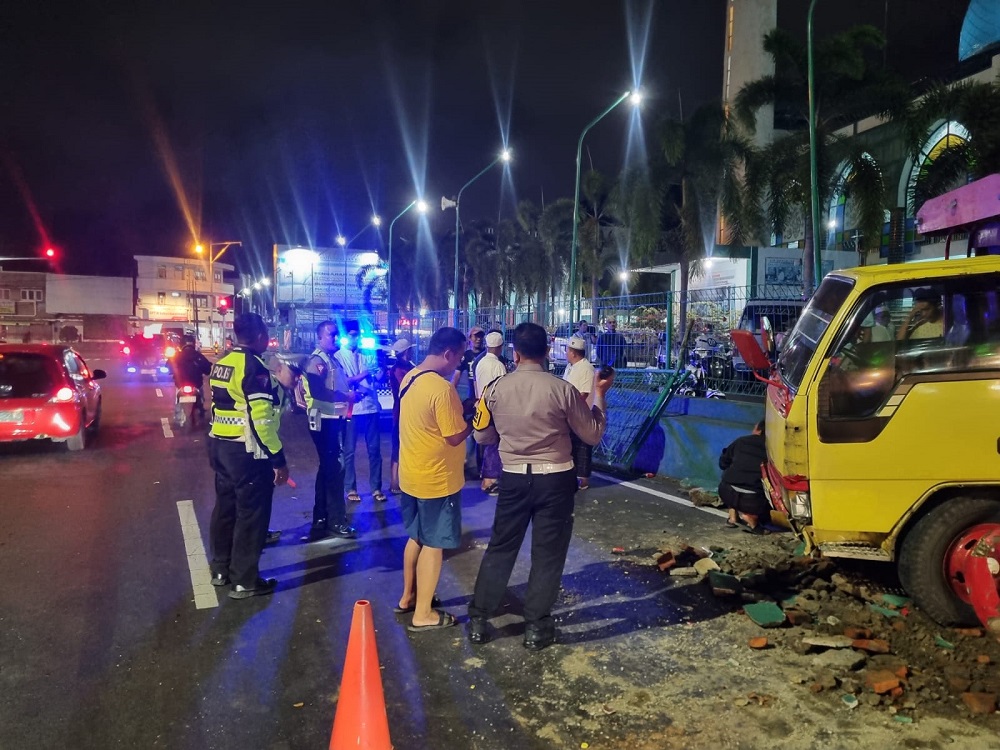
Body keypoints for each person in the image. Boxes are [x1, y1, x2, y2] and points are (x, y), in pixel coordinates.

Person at [468, 322, 612, 650]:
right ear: (548, 352)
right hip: (556, 478)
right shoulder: (562, 390)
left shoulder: (495, 389)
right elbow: (591, 433)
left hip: (514, 477)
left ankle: (479, 619)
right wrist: (601, 396)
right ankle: (536, 626)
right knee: (548, 554)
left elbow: (482, 435)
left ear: (514, 353)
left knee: (501, 547)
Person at [207, 313, 290, 599]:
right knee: (251, 515)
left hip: (219, 444)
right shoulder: (253, 366)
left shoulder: (223, 363)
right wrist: (278, 458)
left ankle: (220, 569)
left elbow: (219, 406)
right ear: (258, 337)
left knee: (225, 508)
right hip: (246, 451)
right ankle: (244, 580)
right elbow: (262, 419)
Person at [397, 327, 472, 631]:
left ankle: (408, 598)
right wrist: (474, 420)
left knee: (416, 536)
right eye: (460, 356)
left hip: (411, 475)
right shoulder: (442, 390)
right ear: (448, 354)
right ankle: (423, 614)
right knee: (435, 543)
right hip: (436, 480)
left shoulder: (411, 377)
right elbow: (455, 437)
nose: (459, 363)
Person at [302, 320, 357, 542]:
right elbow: (318, 392)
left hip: (333, 419)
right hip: (325, 421)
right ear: (320, 336)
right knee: (334, 470)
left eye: (336, 335)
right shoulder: (318, 360)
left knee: (328, 470)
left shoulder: (331, 360)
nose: (335, 338)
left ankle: (322, 518)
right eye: (331, 335)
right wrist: (347, 397)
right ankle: (335, 521)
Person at [336, 323, 386, 504]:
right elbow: (342, 382)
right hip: (352, 410)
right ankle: (350, 488)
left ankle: (376, 487)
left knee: (374, 450)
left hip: (371, 407)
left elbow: (376, 379)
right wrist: (363, 375)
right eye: (351, 335)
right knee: (349, 451)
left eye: (356, 335)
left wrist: (381, 370)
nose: (354, 338)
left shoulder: (367, 354)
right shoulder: (338, 356)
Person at [718, 420, 770, 535]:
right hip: (754, 502)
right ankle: (752, 520)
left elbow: (723, 463)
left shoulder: (741, 441)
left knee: (732, 475)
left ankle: (732, 518)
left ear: (758, 430)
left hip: (726, 493)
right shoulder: (774, 449)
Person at [473, 331, 508, 494]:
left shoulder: (480, 362)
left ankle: (485, 475)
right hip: (495, 408)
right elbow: (503, 389)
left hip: (482, 406)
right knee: (495, 444)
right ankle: (489, 480)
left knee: (487, 444)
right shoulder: (498, 365)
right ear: (499, 347)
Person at [563, 335, 597, 490]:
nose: (566, 353)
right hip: (570, 412)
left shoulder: (586, 368)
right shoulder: (571, 367)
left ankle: (583, 479)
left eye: (567, 350)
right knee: (571, 446)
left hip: (581, 414)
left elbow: (584, 393)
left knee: (582, 446)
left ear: (573, 352)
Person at [453, 327, 486, 476]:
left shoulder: (487, 355)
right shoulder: (466, 356)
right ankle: (464, 462)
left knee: (483, 433)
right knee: (469, 433)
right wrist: (451, 393)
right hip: (471, 399)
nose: (478, 339)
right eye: (475, 336)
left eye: (481, 336)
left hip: (484, 399)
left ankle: (482, 467)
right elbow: (457, 375)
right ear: (470, 339)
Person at [388, 337, 416, 494]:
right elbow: (406, 388)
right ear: (406, 352)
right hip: (401, 413)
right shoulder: (398, 370)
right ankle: (394, 481)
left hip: (408, 412)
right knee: (397, 447)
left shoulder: (408, 367)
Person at [172, 333, 212, 422]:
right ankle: (201, 408)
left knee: (177, 398)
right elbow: (207, 369)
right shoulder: (198, 355)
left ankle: (177, 413)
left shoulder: (177, 356)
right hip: (196, 384)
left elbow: (168, 366)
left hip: (180, 384)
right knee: (201, 394)